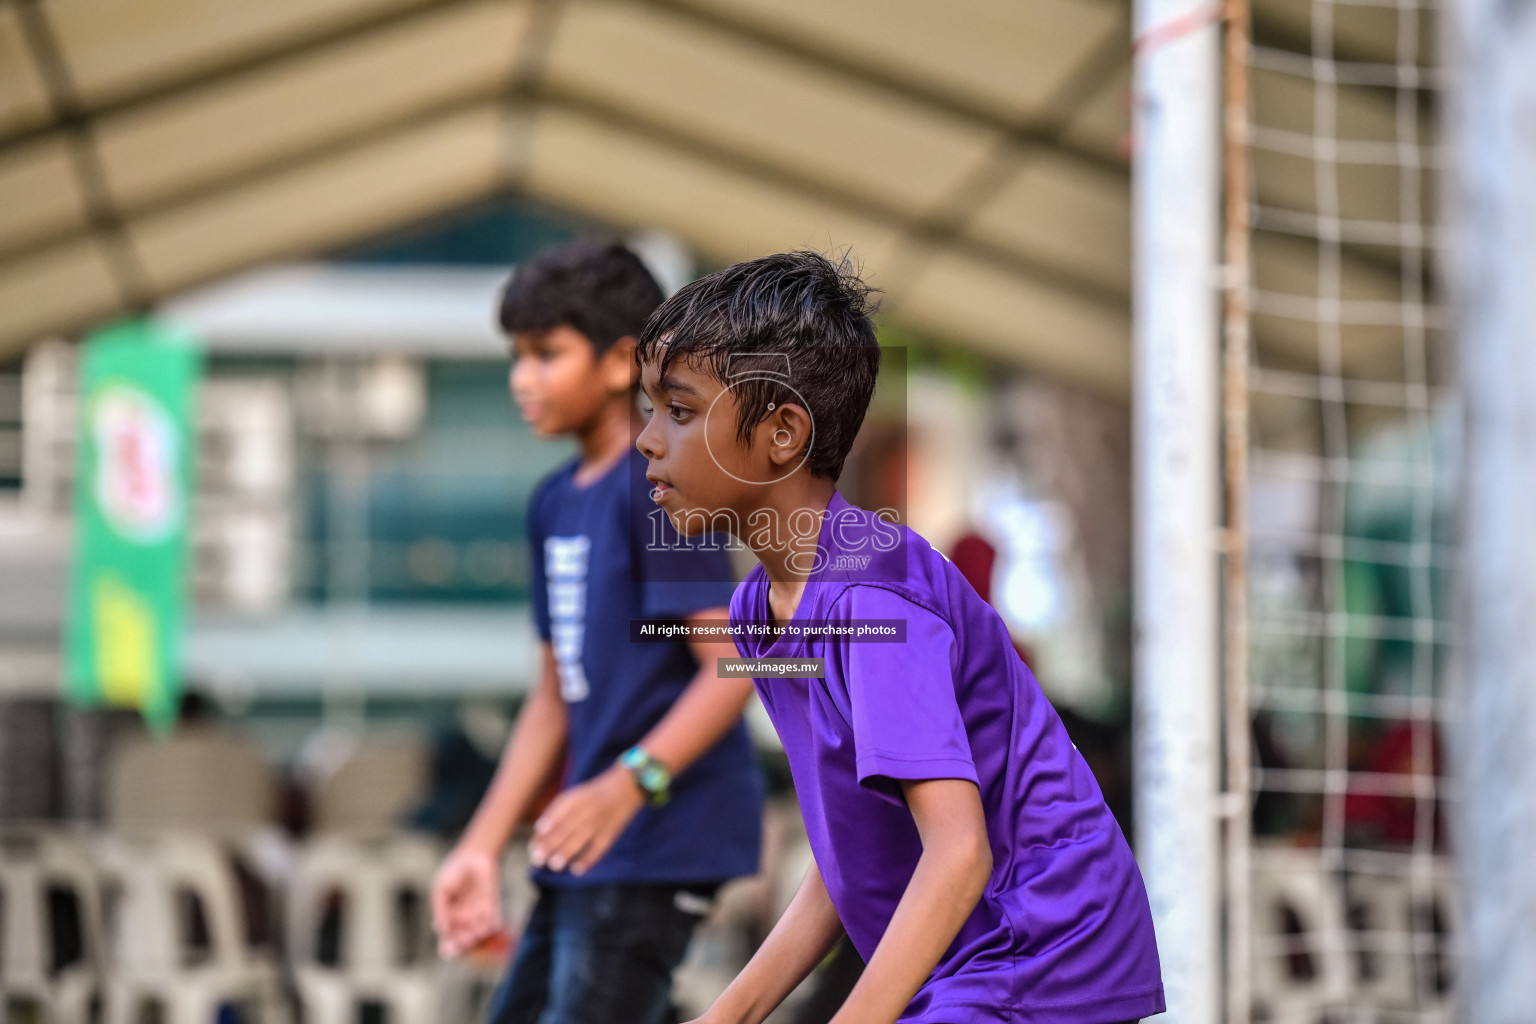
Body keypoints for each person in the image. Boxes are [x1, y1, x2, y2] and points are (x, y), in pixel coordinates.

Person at [632, 251, 1165, 1024]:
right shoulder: (758, 608)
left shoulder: (874, 600)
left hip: (1040, 950)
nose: (647, 440)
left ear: (782, 432)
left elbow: (959, 855)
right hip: (961, 957)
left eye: (678, 411)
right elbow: (843, 855)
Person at [431, 238, 764, 1024]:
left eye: (547, 354)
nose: (522, 378)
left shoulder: (660, 486)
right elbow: (552, 698)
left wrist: (629, 782)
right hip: (589, 842)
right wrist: (479, 846)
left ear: (621, 363)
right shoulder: (553, 502)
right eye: (516, 356)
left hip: (661, 835)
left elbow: (735, 666)